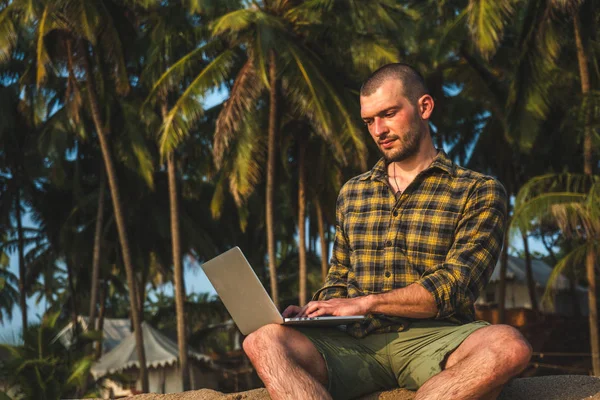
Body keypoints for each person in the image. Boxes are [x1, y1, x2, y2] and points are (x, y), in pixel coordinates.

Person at [242, 63, 532, 400]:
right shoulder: (353, 192)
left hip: (436, 339)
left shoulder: (477, 190)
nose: (379, 130)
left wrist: (368, 302)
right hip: (354, 343)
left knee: (509, 346)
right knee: (261, 340)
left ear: (424, 107)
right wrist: (314, 311)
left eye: (389, 114)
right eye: (369, 121)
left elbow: (456, 287)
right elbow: (340, 277)